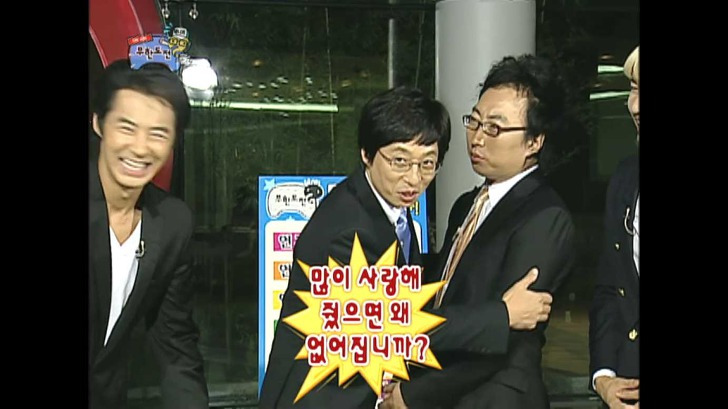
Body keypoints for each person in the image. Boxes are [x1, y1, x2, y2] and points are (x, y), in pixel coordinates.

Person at [382, 54, 576, 409]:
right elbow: (448, 302)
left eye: (495, 128)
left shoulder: (545, 217)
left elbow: (504, 339)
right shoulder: (466, 205)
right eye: (474, 121)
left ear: (534, 141)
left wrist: (411, 395)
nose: (477, 138)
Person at [89, 60, 209, 409]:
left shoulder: (172, 223)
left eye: (158, 134)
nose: (141, 148)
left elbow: (176, 345)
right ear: (98, 124)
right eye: (127, 128)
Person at [588, 45, 640, 409]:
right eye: (634, 89)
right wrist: (604, 377)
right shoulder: (625, 178)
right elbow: (611, 287)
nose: (635, 106)